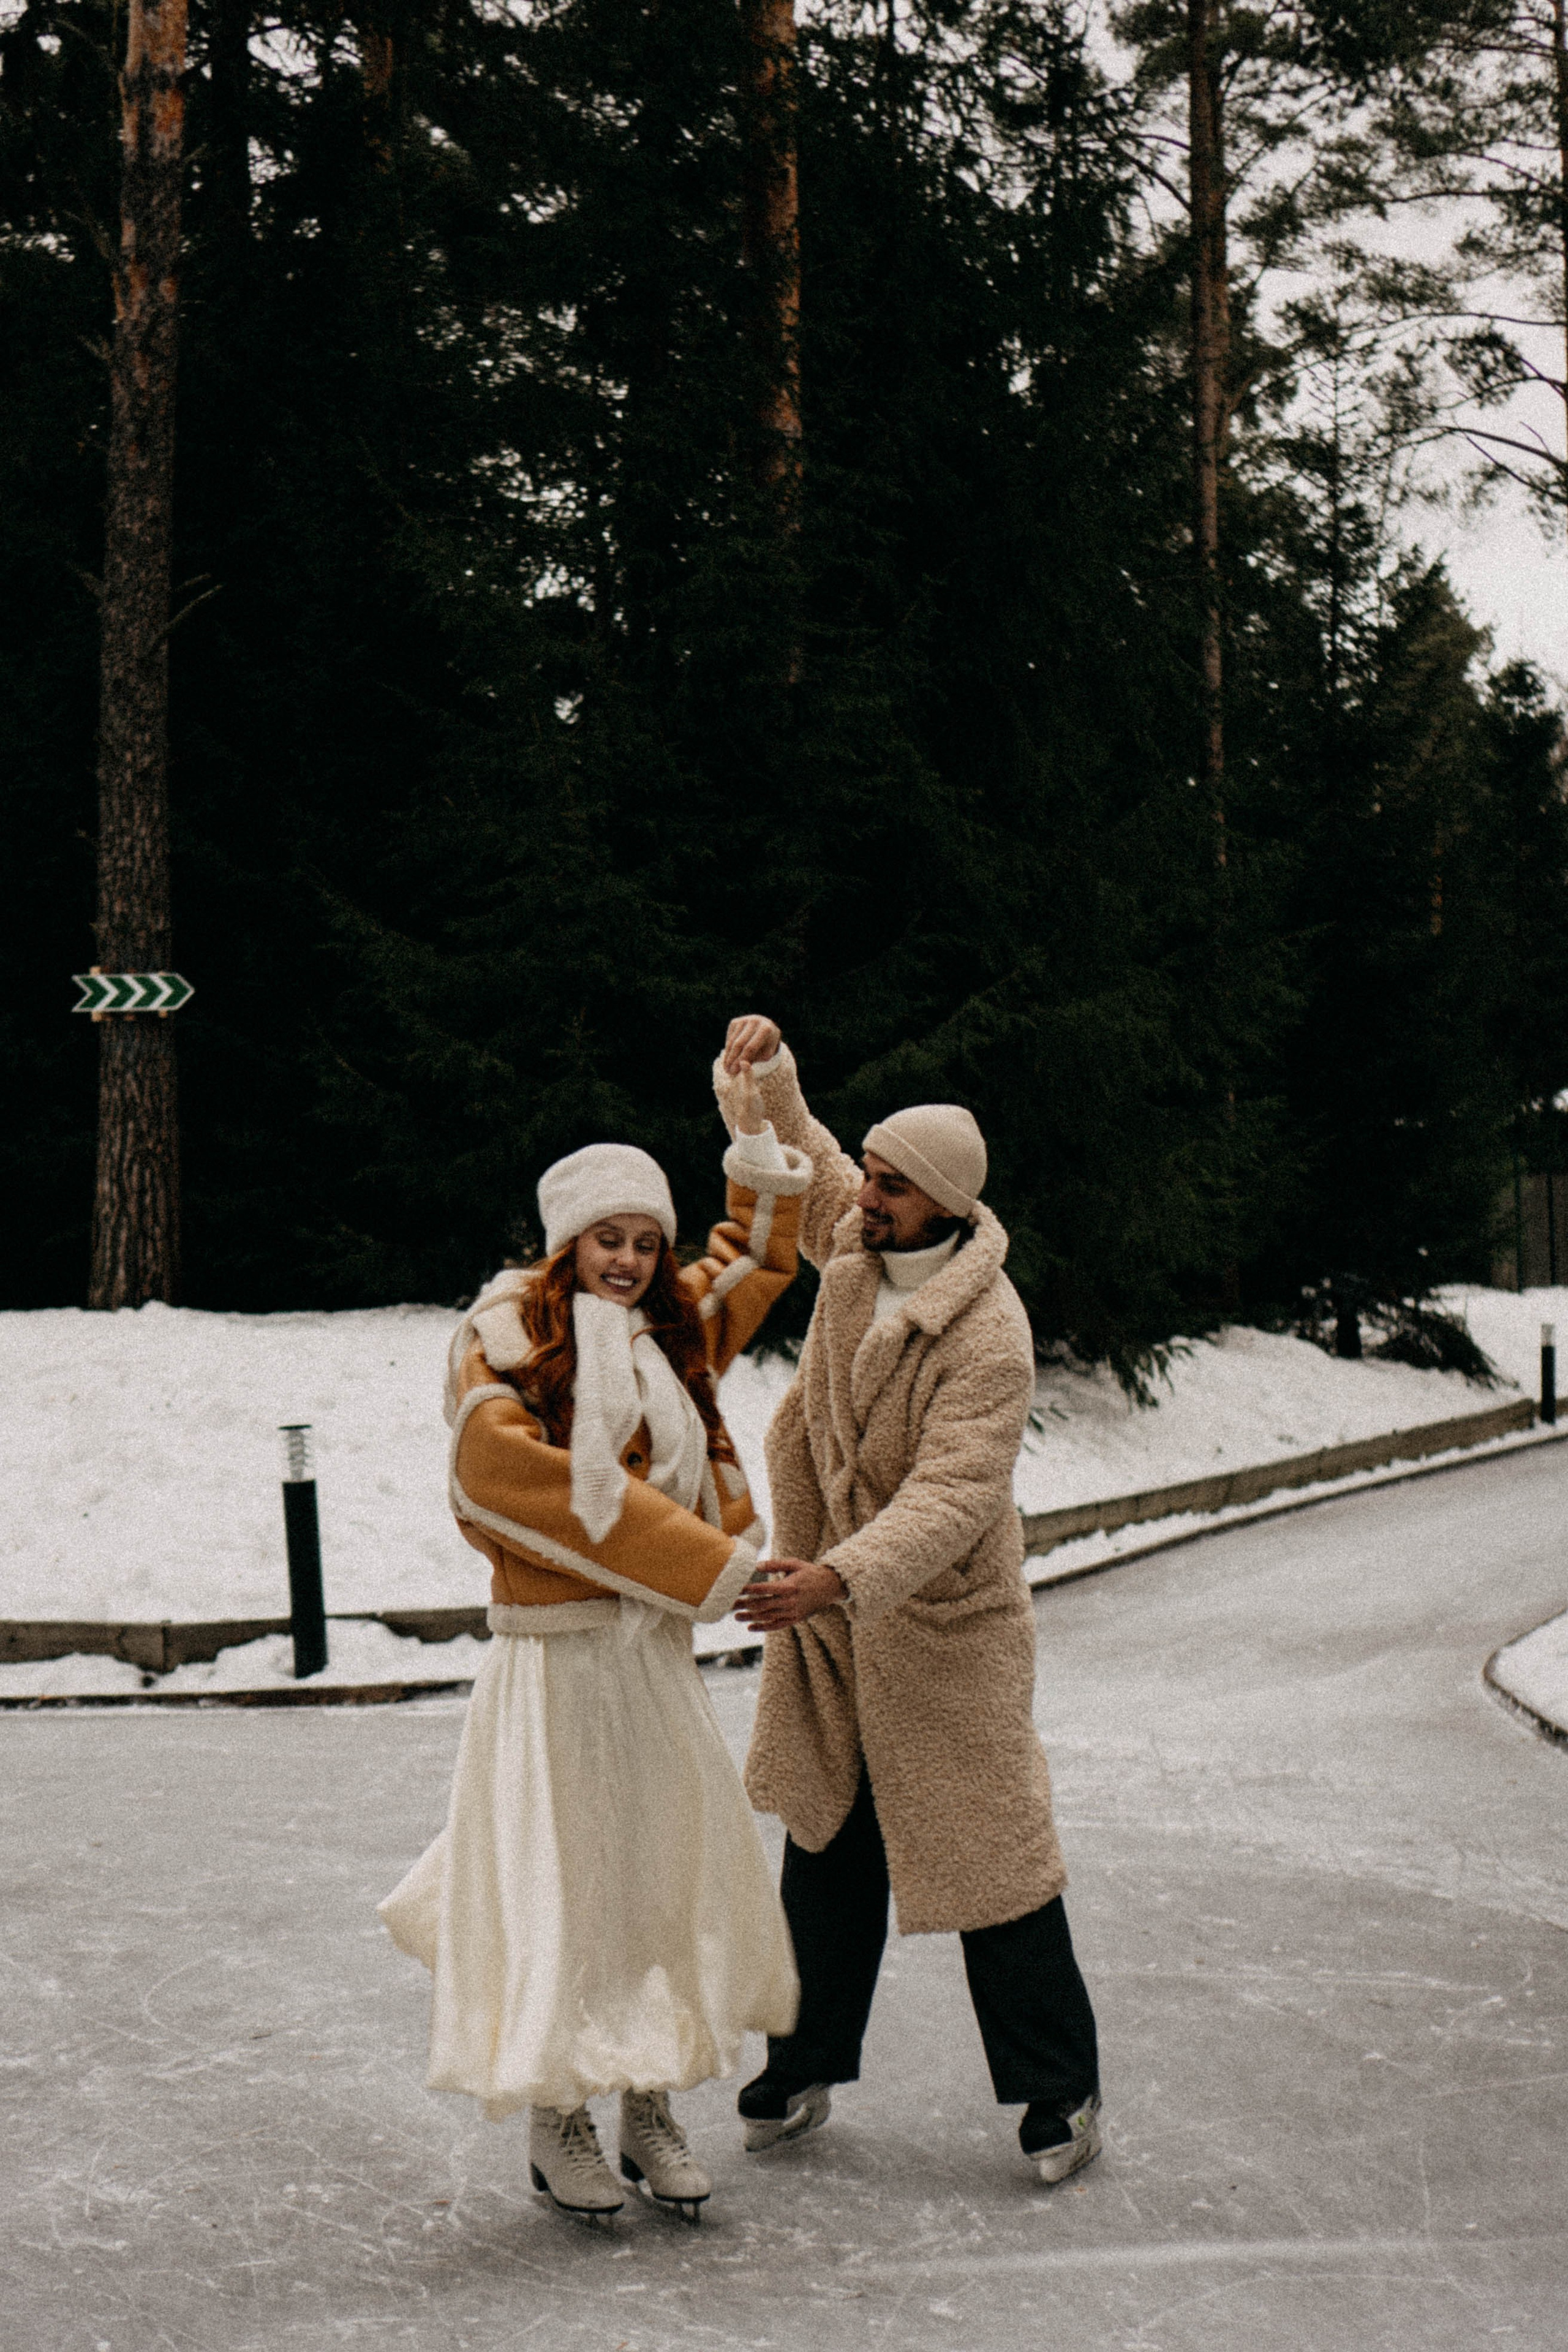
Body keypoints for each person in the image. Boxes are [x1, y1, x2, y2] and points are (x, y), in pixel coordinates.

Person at [379, 1069, 812, 2225]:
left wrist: (755, 1128)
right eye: (606, 1239)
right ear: (565, 1243)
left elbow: (755, 1259)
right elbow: (504, 1478)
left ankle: (649, 2101)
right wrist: (707, 1566)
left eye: (644, 1242)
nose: (626, 1260)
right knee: (563, 1889)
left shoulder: (673, 1331)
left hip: (648, 1662)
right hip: (556, 1665)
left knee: (660, 1880)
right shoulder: (503, 1336)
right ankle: (558, 2111)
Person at [714, 1016, 1102, 2187]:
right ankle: (801, 2066)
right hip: (838, 1622)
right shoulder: (860, 1240)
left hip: (943, 1632)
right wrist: (767, 1073)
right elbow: (810, 1149)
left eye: (891, 1185)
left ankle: (1062, 2088)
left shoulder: (990, 1334)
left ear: (942, 1204)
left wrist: (836, 1577)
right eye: (873, 1177)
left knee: (992, 1861)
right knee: (827, 1844)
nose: (867, 1197)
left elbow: (954, 1496)